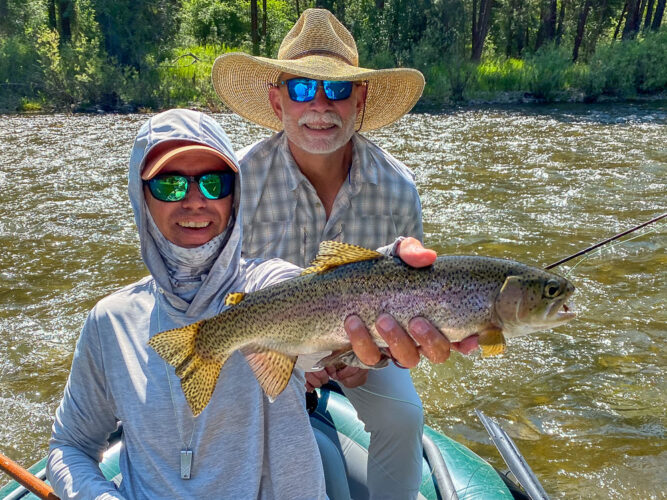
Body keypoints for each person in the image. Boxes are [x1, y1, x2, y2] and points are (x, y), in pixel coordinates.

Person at [45, 109, 447, 499]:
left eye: (214, 183)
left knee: (401, 412)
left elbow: (316, 296)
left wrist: (390, 269)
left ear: (235, 196)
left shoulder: (266, 281)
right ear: (141, 195)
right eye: (170, 184)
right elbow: (69, 445)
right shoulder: (109, 321)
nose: (195, 201)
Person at [211, 8, 478, 500]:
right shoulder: (238, 183)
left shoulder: (398, 188)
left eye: (336, 90)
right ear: (276, 101)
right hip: (267, 345)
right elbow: (220, 291)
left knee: (404, 415)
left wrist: (371, 361)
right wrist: (290, 359)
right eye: (300, 89)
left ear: (360, 99)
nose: (319, 105)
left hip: (366, 344)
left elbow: (412, 308)